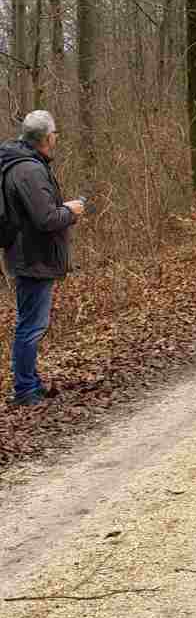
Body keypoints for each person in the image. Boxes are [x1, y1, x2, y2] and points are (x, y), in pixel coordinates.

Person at [0, 110, 85, 407]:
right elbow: (46, 218)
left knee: (30, 324)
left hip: (27, 256)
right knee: (31, 327)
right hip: (33, 258)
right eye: (55, 134)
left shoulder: (23, 163)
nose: (56, 138)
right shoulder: (29, 170)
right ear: (48, 138)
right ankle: (25, 390)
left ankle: (30, 384)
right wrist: (71, 211)